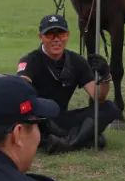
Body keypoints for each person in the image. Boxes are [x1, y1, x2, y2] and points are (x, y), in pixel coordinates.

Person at [16, 13, 119, 152]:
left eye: (61, 34)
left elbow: (98, 96)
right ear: (40, 37)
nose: (56, 40)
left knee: (110, 108)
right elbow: (21, 90)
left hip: (62, 118)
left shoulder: (77, 61)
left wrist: (105, 76)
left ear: (68, 35)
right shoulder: (29, 60)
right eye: (50, 35)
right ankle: (83, 138)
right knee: (97, 139)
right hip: (40, 119)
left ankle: (67, 143)